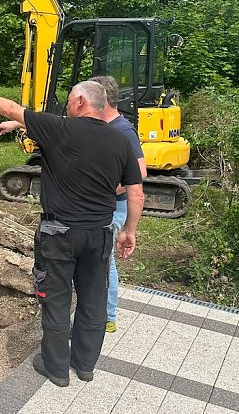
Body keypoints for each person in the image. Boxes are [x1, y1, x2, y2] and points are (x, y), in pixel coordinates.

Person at [0, 81, 144, 387]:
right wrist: (129, 231)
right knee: (93, 299)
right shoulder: (121, 140)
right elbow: (136, 193)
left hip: (59, 234)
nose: (67, 106)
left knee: (57, 299)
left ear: (80, 102)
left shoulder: (60, 129)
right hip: (100, 233)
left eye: (71, 100)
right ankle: (85, 365)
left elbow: (11, 107)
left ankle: (56, 368)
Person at [90, 76, 147, 334]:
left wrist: (107, 188)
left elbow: (141, 171)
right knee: (99, 260)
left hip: (114, 206)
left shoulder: (122, 130)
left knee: (105, 262)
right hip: (102, 205)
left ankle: (107, 317)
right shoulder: (99, 125)